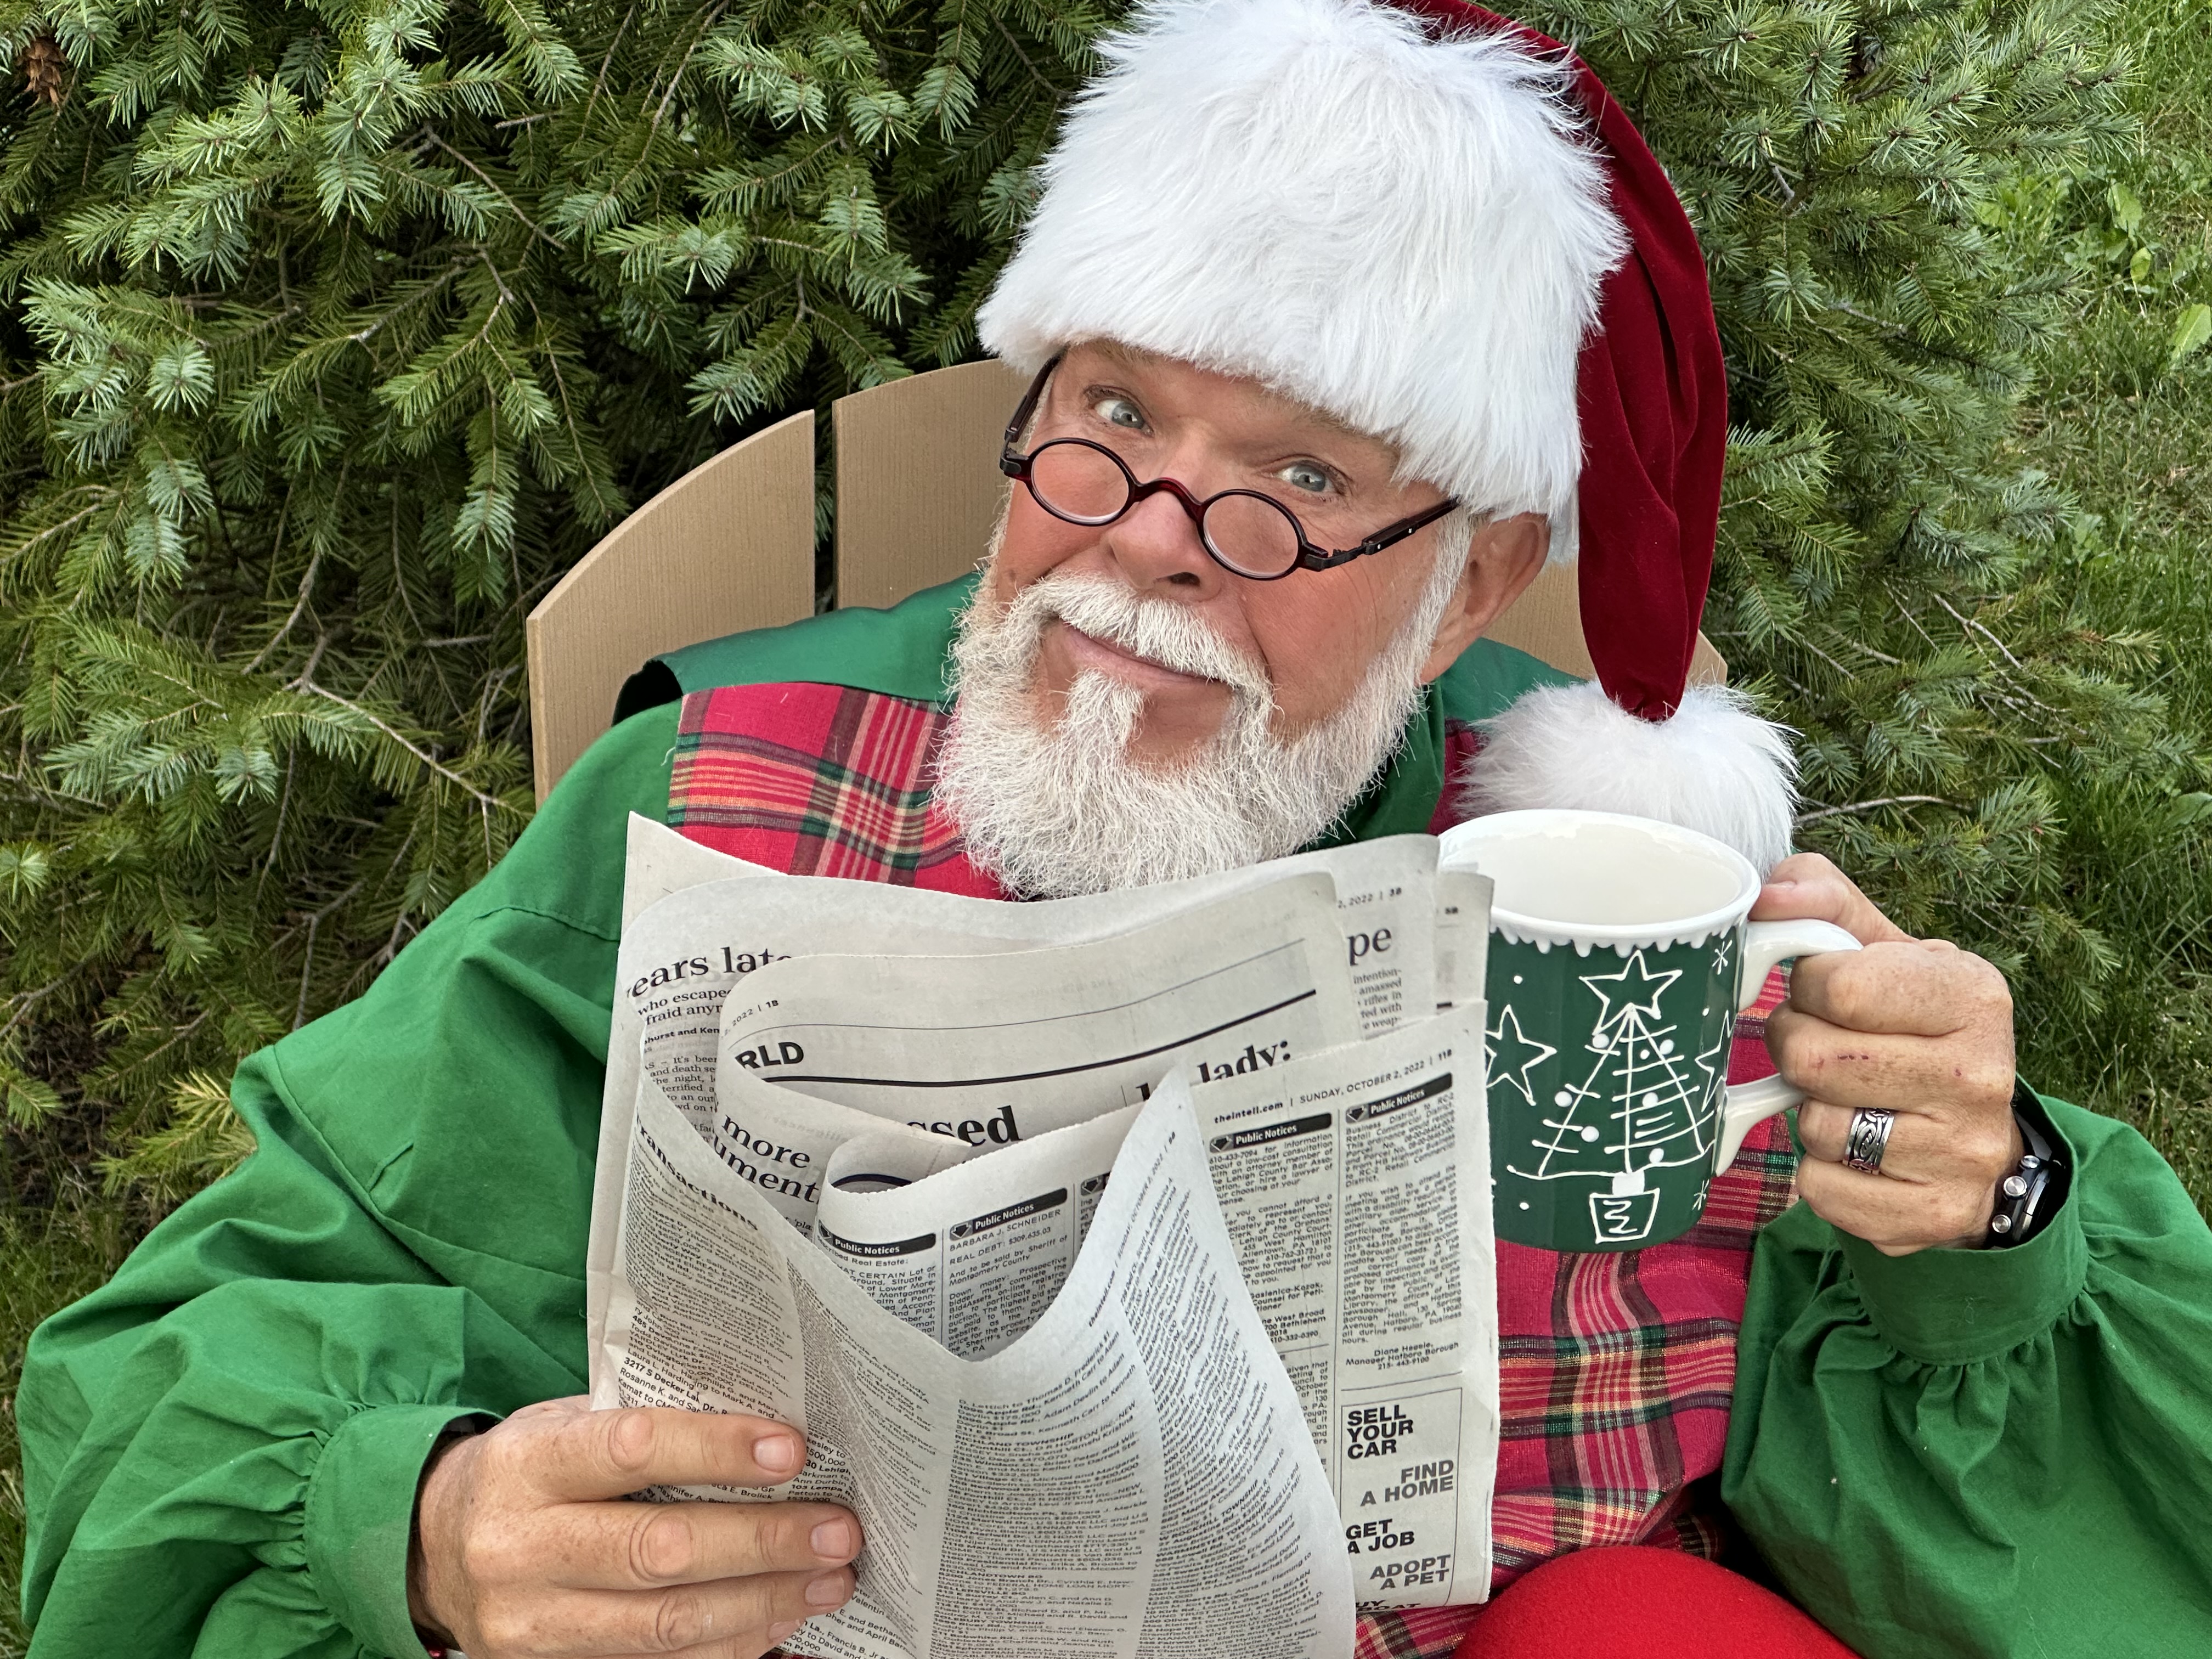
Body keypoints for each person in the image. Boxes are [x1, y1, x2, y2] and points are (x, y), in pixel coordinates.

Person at [17, 1, 2212, 1656]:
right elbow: (212, 1338)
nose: (1151, 544)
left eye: (1298, 481)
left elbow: (2032, 1483)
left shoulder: (1606, 888)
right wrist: (421, 1520)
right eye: (1111, 417)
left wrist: (1988, 1195)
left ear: (1474, 569)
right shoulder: (720, 803)